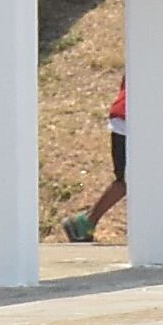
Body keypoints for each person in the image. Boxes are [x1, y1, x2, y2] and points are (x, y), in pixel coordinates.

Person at [64, 79, 129, 245]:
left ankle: (85, 222)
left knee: (127, 179)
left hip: (124, 119)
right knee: (126, 179)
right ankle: (85, 222)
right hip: (127, 119)